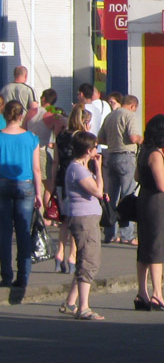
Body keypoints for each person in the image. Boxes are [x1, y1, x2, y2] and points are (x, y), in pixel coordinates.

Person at [0, 100, 43, 299]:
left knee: (4, 232)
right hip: (25, 185)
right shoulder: (31, 138)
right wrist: (39, 193)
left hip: (2, 184)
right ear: (20, 116)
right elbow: (36, 168)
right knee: (24, 231)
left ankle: (6, 275)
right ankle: (23, 276)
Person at [135, 114, 164, 312]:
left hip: (143, 199)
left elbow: (137, 176)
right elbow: (162, 185)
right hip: (156, 203)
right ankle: (157, 294)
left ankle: (142, 293)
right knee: (156, 249)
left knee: (144, 248)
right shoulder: (156, 155)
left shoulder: (143, 152)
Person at [61, 131, 106, 320]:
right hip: (84, 219)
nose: (96, 150)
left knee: (83, 260)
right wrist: (99, 169)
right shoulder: (78, 169)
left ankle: (71, 302)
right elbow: (97, 190)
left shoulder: (79, 167)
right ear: (88, 150)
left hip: (86, 217)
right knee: (90, 261)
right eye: (95, 147)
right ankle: (84, 307)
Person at [49, 105, 93, 276]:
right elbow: (86, 162)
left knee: (65, 220)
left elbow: (55, 162)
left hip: (61, 180)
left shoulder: (61, 136)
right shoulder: (82, 138)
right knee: (76, 221)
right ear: (84, 121)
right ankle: (72, 257)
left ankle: (59, 253)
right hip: (77, 182)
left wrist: (53, 183)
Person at [97, 94, 143, 245]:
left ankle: (110, 233)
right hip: (126, 156)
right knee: (128, 194)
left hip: (111, 156)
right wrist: (143, 139)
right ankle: (127, 235)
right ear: (132, 106)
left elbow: (101, 138)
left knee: (112, 196)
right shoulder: (129, 116)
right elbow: (133, 137)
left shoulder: (110, 116)